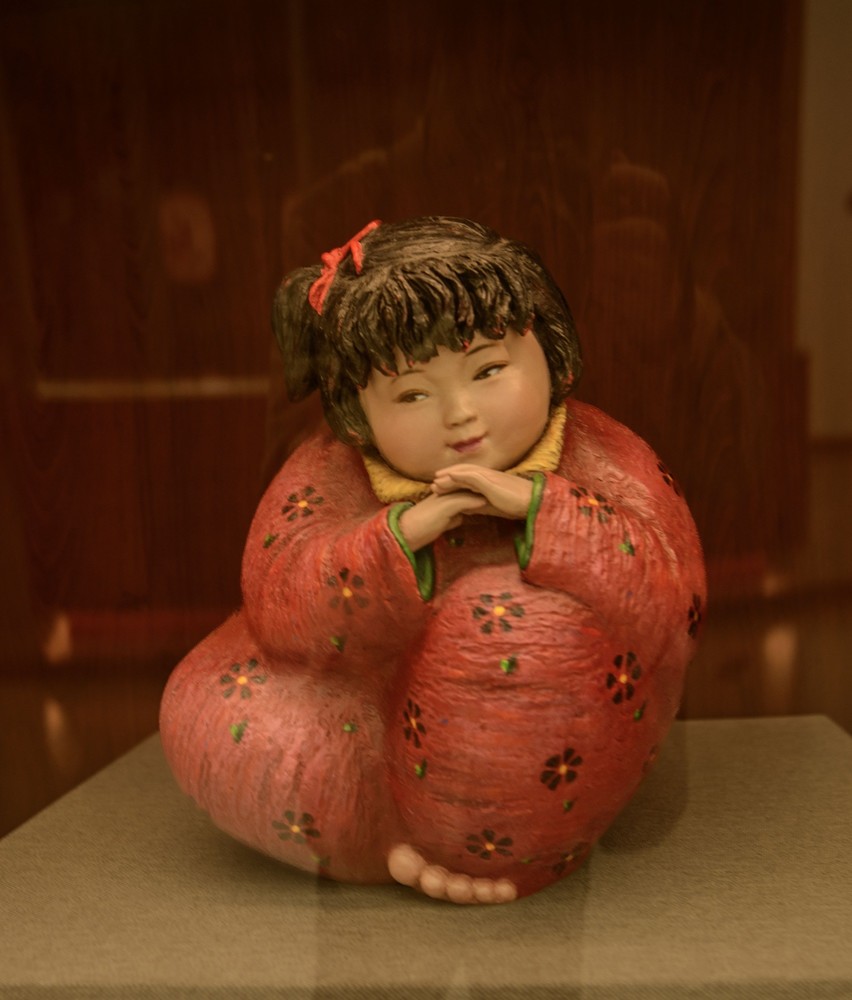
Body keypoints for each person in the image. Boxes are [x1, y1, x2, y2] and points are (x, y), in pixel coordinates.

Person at [159, 216, 705, 904]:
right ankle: (379, 844)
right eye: (413, 393)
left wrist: (542, 507)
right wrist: (397, 536)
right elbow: (279, 603)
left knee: (507, 625)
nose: (460, 414)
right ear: (357, 411)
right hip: (368, 726)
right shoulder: (329, 472)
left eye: (489, 370)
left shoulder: (606, 456)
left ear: (551, 352)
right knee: (215, 713)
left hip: (563, 727)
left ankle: (510, 848)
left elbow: (671, 599)